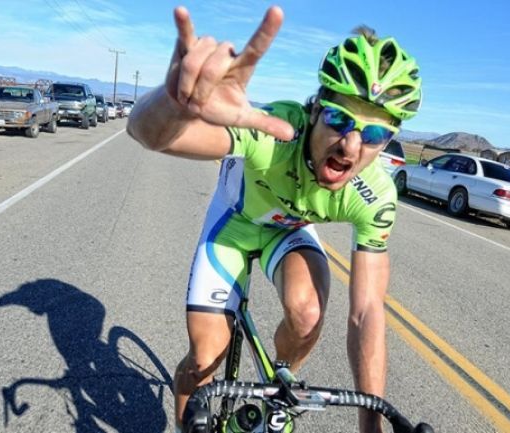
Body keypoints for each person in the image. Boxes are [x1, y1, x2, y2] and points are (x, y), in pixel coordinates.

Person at [127, 6, 422, 433]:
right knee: (204, 359)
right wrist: (173, 105)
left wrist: (371, 426)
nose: (351, 146)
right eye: (339, 119)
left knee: (306, 312)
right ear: (316, 109)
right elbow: (147, 135)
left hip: (286, 231)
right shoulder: (277, 132)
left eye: (375, 134)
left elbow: (367, 312)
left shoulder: (375, 194)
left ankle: (278, 384)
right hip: (232, 227)